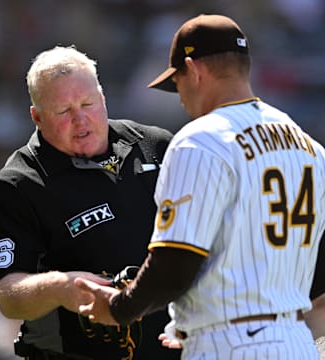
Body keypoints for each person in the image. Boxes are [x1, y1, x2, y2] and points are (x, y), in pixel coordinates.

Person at [74, 14, 325, 359]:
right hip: (297, 342)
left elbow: (174, 263)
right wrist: (205, 318)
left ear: (193, 69)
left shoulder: (199, 140)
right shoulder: (309, 146)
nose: (180, 97)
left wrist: (119, 308)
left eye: (177, 83)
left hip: (231, 348)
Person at [0, 45, 182, 360]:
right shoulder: (19, 184)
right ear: (37, 117)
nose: (80, 119)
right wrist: (62, 287)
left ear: (103, 98)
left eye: (88, 103)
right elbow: (8, 295)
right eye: (63, 111)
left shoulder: (156, 146)